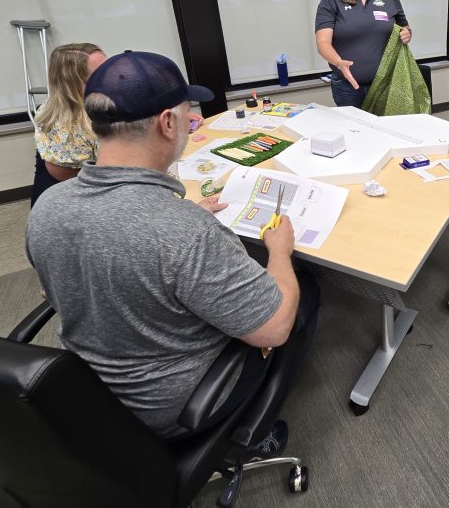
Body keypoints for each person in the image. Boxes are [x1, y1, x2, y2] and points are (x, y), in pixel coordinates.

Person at [26, 51, 319, 445]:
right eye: (185, 113)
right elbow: (274, 329)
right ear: (167, 123)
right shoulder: (184, 232)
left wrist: (179, 220)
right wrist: (280, 252)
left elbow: (66, 280)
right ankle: (257, 429)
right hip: (172, 409)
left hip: (86, 395)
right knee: (305, 293)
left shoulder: (48, 207)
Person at [315, 0, 411, 108]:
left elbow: (404, 26)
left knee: (384, 132)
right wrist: (339, 62)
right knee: (354, 133)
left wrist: (406, 33)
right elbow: (323, 43)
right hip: (348, 87)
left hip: (385, 85)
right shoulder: (331, 0)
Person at [30, 42, 106, 206]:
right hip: (70, 191)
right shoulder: (62, 124)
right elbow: (76, 177)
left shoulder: (98, 103)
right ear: (74, 83)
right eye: (100, 73)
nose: (111, 75)